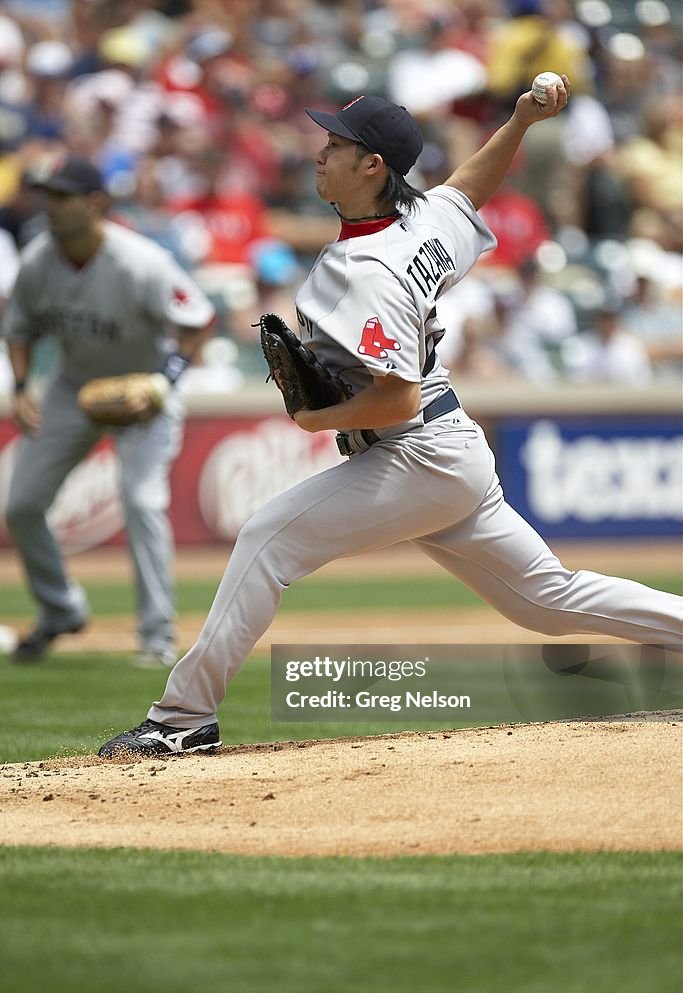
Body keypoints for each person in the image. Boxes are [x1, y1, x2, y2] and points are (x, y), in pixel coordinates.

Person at [99, 82, 682, 757]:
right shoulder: (422, 219)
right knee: (543, 600)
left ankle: (182, 717)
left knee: (265, 539)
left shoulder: (368, 266)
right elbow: (468, 187)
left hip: (416, 450)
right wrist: (519, 120)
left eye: (334, 147)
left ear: (372, 165)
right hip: (446, 447)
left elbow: (395, 398)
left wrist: (322, 420)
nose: (318, 156)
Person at [3, 153, 215, 666]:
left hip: (144, 389)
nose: (49, 205)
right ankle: (60, 610)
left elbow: (199, 320)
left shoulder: (139, 261)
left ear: (94, 204)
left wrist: (164, 383)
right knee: (22, 505)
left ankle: (157, 635)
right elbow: (18, 329)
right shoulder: (38, 260)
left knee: (142, 502)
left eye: (62, 196)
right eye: (46, 194)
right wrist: (24, 384)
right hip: (73, 387)